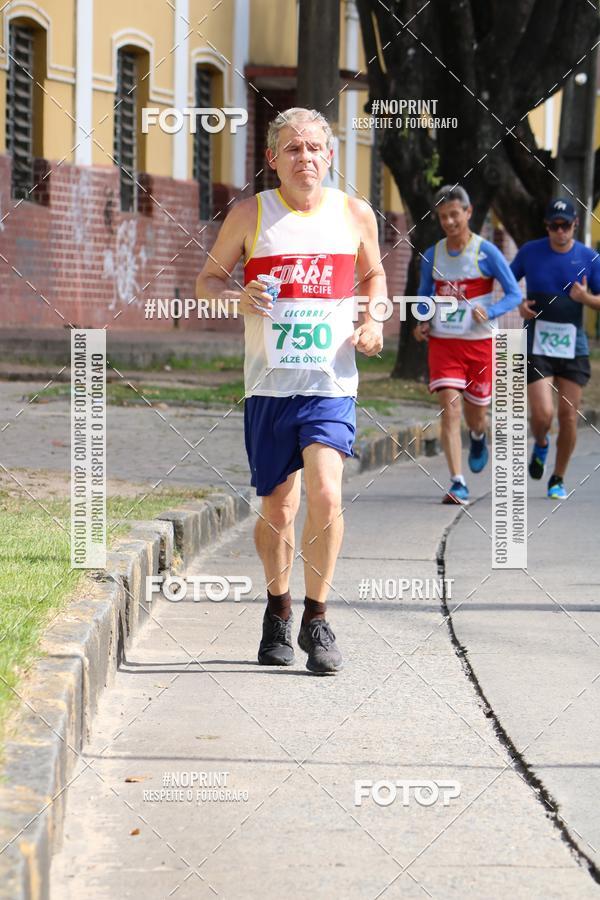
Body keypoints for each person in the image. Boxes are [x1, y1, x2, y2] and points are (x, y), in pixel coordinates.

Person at [196, 107, 385, 674]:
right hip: (270, 386)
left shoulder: (355, 214)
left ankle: (317, 618)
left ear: (331, 155)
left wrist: (373, 320)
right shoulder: (252, 214)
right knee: (279, 507)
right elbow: (207, 283)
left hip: (330, 383)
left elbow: (374, 277)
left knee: (327, 494)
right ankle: (277, 607)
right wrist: (238, 298)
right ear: (273, 158)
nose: (306, 158)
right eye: (293, 149)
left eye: (315, 148)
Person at [414, 185, 522, 504]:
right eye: (443, 216)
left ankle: (477, 436)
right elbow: (423, 293)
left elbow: (515, 294)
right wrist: (421, 320)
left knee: (476, 415)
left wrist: (490, 310)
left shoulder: (486, 252)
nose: (448, 222)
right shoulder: (432, 254)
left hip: (479, 345)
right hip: (444, 343)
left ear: (468, 212)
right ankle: (457, 482)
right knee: (449, 408)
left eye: (454, 214)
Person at [511, 198, 600, 499]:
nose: (559, 232)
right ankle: (541, 443)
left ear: (575, 225)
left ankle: (557, 478)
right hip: (537, 340)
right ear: (546, 226)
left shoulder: (589, 257)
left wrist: (587, 299)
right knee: (542, 414)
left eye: (565, 226)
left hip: (572, 342)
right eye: (553, 226)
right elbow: (508, 285)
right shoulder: (530, 252)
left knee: (568, 415)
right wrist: (519, 305)